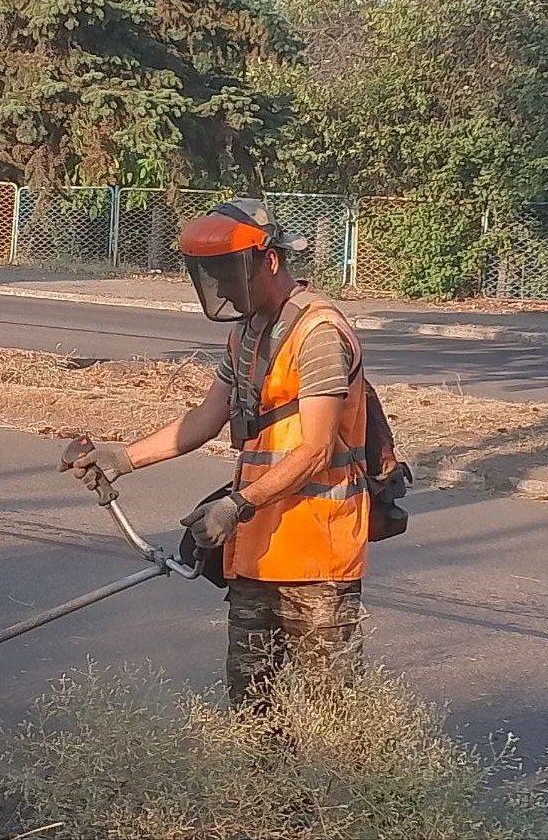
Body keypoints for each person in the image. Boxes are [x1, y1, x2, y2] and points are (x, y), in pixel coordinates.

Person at [67, 197, 395, 704]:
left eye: (229, 269)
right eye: (211, 272)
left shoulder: (319, 333)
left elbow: (315, 448)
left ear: (270, 260)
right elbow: (204, 420)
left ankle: (346, 786)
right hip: (256, 551)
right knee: (252, 704)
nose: (221, 285)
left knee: (330, 711)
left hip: (315, 557)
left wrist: (234, 504)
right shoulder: (246, 334)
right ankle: (259, 786)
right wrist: (121, 458)